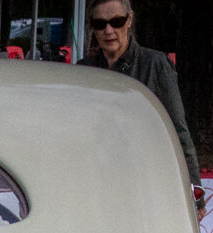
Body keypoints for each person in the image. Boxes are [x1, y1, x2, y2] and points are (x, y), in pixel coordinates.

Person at [78, 0, 201, 191]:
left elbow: (178, 132)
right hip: (96, 184)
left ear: (129, 20)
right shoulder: (84, 69)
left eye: (117, 21)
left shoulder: (156, 65)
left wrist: (195, 193)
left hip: (144, 185)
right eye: (100, 24)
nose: (108, 30)